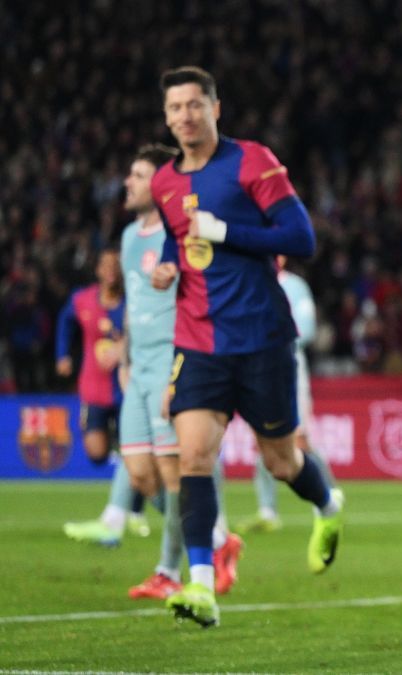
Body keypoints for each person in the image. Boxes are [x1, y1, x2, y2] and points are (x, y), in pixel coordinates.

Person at [150, 66, 342, 628]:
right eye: (174, 108)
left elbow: (301, 238)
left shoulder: (252, 161)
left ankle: (329, 506)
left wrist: (227, 233)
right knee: (194, 459)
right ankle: (202, 586)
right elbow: (174, 234)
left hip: (261, 338)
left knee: (282, 462)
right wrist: (168, 264)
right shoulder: (165, 182)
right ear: (166, 118)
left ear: (215, 108)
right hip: (199, 340)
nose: (185, 116)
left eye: (194, 105)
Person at [118, 143, 244, 600]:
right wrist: (126, 359)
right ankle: (214, 538)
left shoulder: (185, 234)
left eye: (137, 175)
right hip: (139, 366)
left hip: (175, 360)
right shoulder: (131, 237)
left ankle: (169, 571)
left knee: (176, 474)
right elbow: (133, 304)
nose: (128, 183)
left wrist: (188, 366)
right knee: (140, 476)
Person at [237, 256, 340, 535]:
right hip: (255, 368)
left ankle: (331, 495)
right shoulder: (249, 281)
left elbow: (305, 330)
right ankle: (268, 511)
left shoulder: (294, 286)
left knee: (299, 440)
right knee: (265, 438)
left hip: (288, 367)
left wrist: (265, 336)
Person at [57, 249, 149, 546]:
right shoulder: (82, 299)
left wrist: (124, 348)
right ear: (97, 269)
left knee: (132, 455)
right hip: (93, 389)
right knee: (97, 453)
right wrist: (62, 355)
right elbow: (63, 322)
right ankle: (125, 505)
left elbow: (145, 335)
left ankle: (132, 512)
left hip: (125, 390)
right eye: (106, 265)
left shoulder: (131, 304)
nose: (111, 270)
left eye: (116, 265)